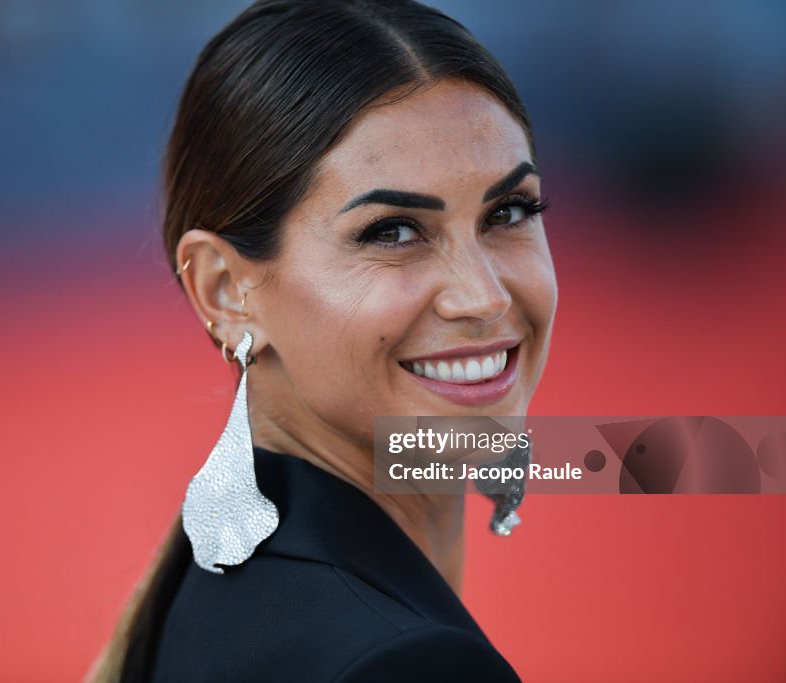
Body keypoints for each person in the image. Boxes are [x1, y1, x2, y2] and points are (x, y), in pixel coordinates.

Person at [89, 0, 557, 680]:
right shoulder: (405, 661)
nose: (483, 296)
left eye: (509, 212)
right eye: (393, 231)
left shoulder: (216, 579)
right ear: (225, 289)